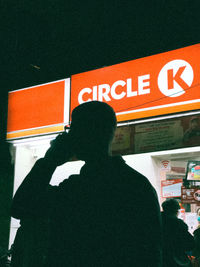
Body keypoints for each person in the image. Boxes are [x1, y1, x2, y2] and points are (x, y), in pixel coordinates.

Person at [11, 101, 162, 266]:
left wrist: (50, 160)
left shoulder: (76, 189)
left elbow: (21, 206)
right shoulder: (138, 185)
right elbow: (151, 253)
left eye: (73, 129)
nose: (68, 135)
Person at [161, 199, 194, 267]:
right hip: (176, 260)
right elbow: (190, 244)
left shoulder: (156, 223)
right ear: (175, 211)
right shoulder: (178, 225)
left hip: (160, 259)